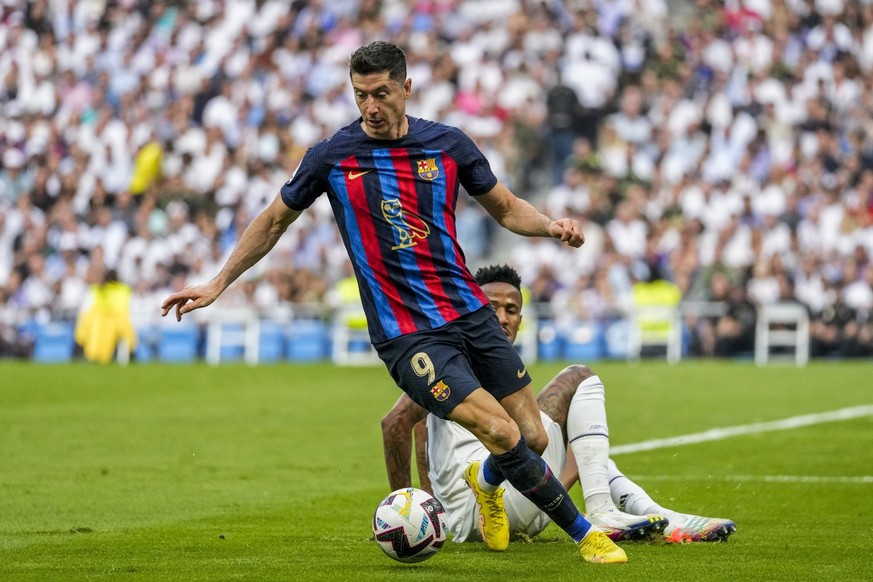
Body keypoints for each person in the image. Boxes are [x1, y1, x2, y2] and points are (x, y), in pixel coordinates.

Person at [161, 41, 626, 564]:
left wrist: (550, 226)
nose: (370, 107)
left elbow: (506, 207)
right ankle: (586, 535)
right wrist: (220, 281)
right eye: (360, 95)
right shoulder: (333, 156)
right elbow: (273, 221)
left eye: (381, 93)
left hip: (469, 312)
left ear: (406, 87)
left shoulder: (448, 146)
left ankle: (485, 481)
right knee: (497, 429)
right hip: (409, 335)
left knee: (532, 439)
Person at [382, 264, 737, 544]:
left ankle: (657, 514)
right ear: (472, 310)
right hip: (478, 508)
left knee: (585, 446)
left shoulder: (498, 368)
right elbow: (397, 423)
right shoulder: (452, 358)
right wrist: (412, 511)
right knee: (579, 378)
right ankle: (601, 510)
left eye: (512, 309)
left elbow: (418, 427)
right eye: (491, 309)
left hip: (526, 509)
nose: (503, 318)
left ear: (522, 319)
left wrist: (432, 506)